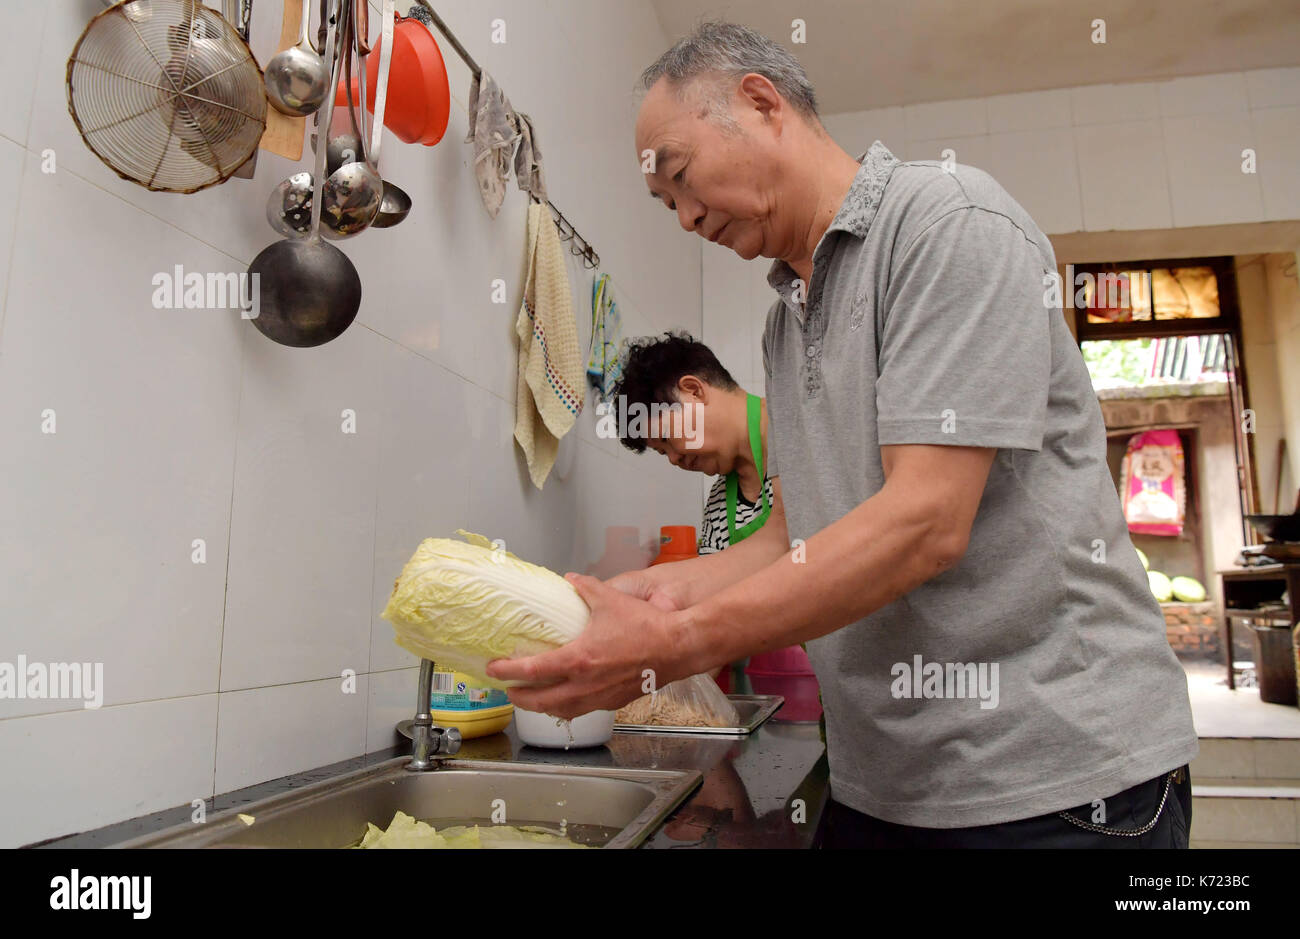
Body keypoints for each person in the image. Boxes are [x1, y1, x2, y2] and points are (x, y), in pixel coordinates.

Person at [488, 21, 1197, 848]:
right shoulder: (784, 324)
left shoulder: (946, 226)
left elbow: (925, 524)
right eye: (664, 200)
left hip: (1048, 784)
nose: (681, 216)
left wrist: (677, 639)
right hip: (885, 785)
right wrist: (654, 593)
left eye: (678, 178)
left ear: (760, 102)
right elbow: (793, 535)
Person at [611, 332, 774, 555]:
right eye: (662, 452)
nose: (674, 459)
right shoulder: (719, 504)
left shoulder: (797, 431)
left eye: (667, 438)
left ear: (694, 391)